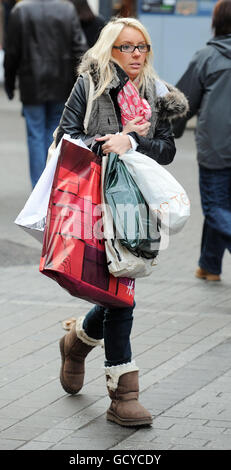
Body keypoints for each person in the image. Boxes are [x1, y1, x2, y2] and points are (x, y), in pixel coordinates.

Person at [56, 16, 188, 427]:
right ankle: (123, 393)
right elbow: (66, 135)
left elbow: (165, 150)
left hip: (135, 205)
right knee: (118, 290)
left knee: (120, 283)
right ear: (109, 49)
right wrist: (104, 144)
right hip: (93, 202)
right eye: (126, 47)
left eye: (142, 47)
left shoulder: (157, 92)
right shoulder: (90, 85)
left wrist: (132, 141)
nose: (136, 55)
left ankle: (78, 342)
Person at [172, 0, 231, 282]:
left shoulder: (207, 56)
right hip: (219, 148)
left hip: (216, 148)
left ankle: (209, 264)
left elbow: (182, 102)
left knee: (215, 206)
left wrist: (170, 131)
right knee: (222, 205)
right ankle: (209, 265)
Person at [3, 0, 87, 188]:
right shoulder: (67, 9)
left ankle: (38, 188)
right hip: (62, 81)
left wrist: (9, 84)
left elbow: (12, 52)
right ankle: (53, 186)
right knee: (56, 134)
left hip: (31, 81)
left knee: (35, 134)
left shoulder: (21, 10)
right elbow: (79, 49)